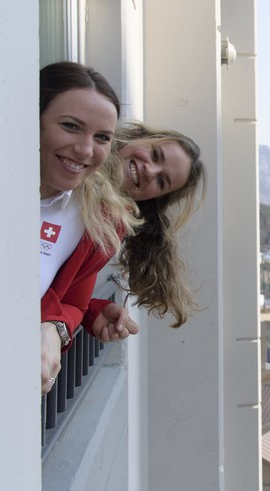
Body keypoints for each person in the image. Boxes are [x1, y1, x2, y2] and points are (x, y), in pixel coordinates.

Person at [39, 61, 141, 394]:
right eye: (70, 126)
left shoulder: (98, 222)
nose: (85, 149)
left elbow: (72, 303)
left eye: (102, 137)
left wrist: (55, 328)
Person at [84, 121, 206, 341]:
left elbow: (57, 289)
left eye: (161, 181)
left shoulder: (107, 233)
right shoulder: (73, 157)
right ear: (139, 136)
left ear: (152, 199)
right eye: (156, 155)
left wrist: (90, 311)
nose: (150, 170)